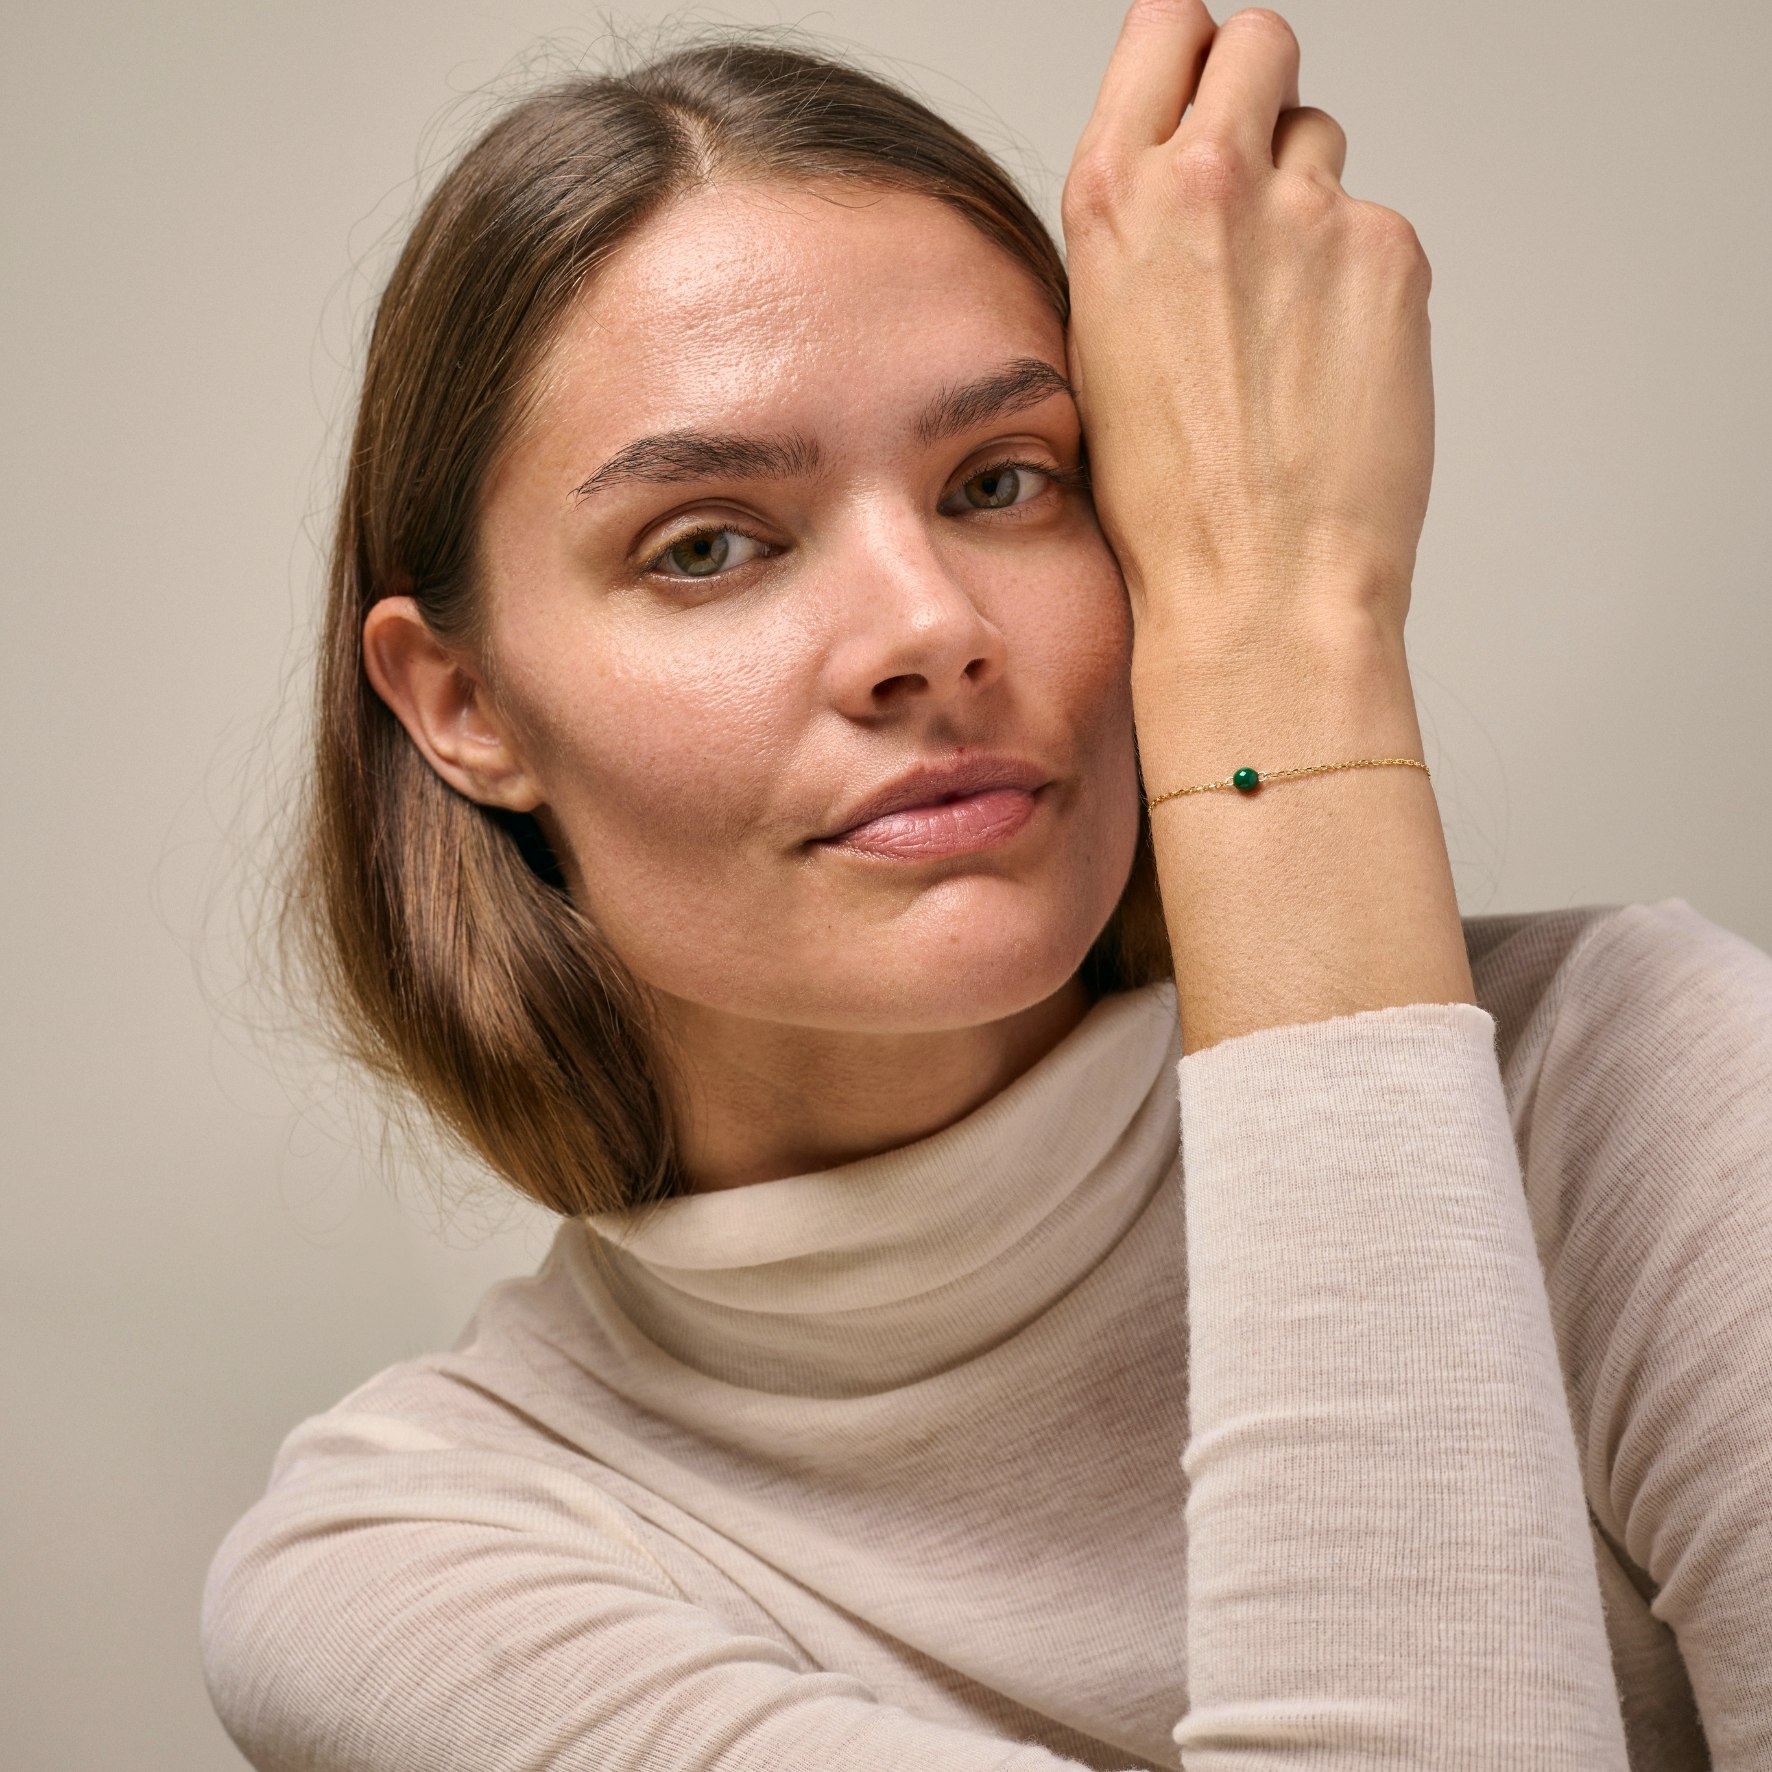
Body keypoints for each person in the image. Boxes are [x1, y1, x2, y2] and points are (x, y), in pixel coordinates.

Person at [198, 6, 1772, 1768]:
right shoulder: (420, 1570)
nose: (931, 629)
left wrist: (1279, 638)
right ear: (463, 706)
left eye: (1004, 482)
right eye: (707, 542)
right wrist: (1280, 652)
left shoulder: (1638, 1087)